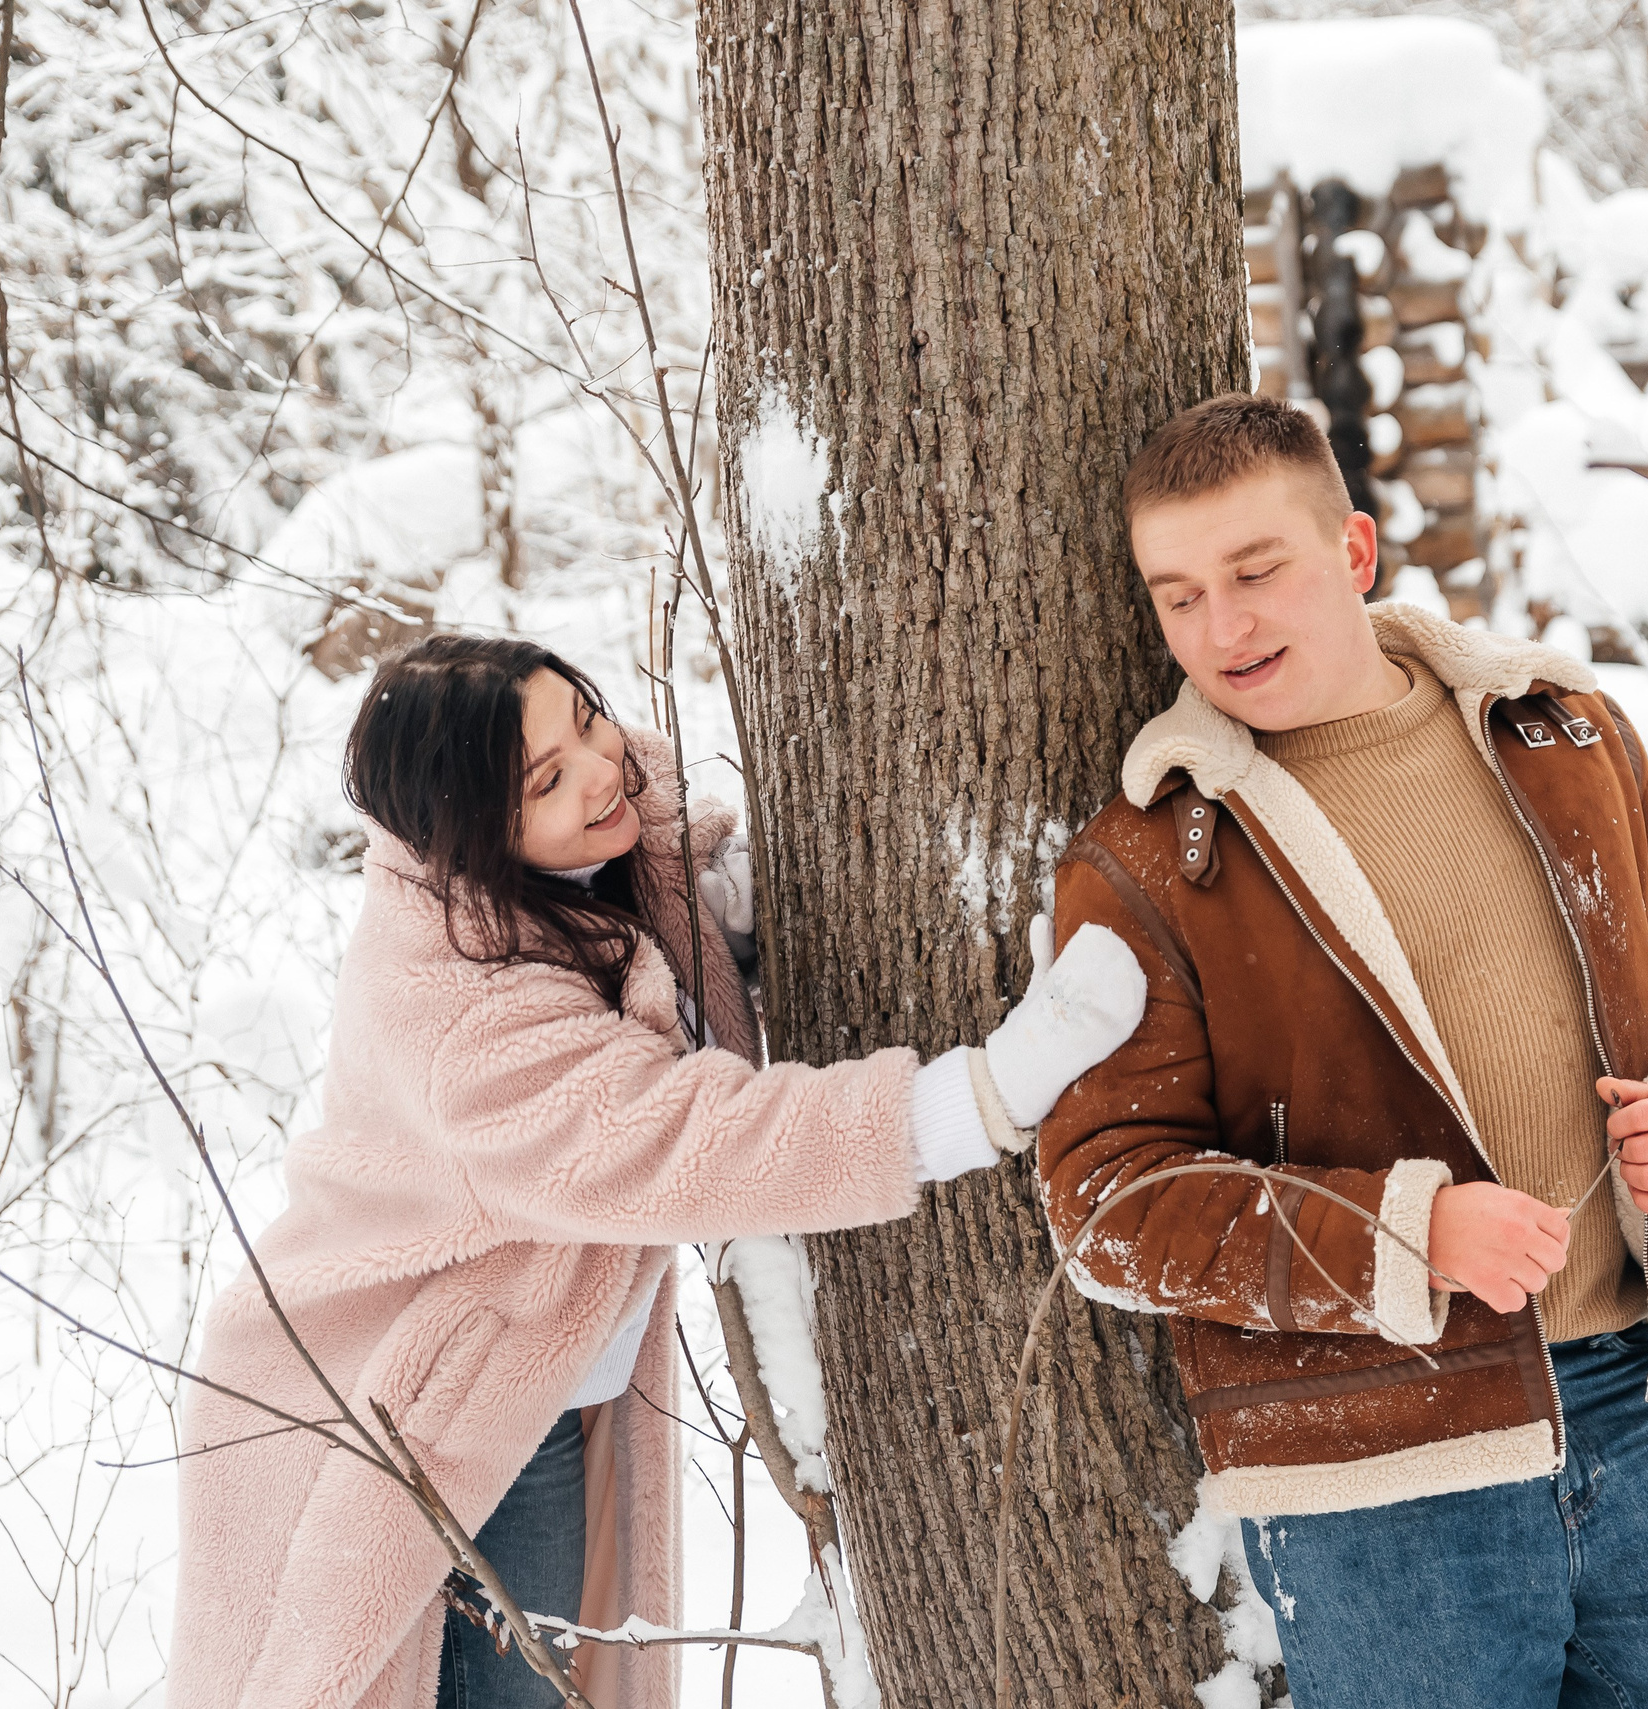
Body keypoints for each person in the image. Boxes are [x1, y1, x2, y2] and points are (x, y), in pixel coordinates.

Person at [1036, 396, 1648, 1707]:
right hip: (1374, 1480)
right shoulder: (1148, 863)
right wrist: (1409, 1239)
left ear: (1354, 553)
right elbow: (1109, 1204)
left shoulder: (1563, 736)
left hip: (1639, 1410)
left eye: (1258, 572)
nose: (1222, 627)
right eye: (1177, 594)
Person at [168, 635, 1144, 1709]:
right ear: (464, 836)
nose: (601, 767)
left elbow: (640, 920)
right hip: (401, 1413)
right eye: (546, 778)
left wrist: (726, 918)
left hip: (507, 1384)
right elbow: (698, 1139)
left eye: (585, 717)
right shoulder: (465, 1025)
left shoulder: (569, 857)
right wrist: (994, 1087)